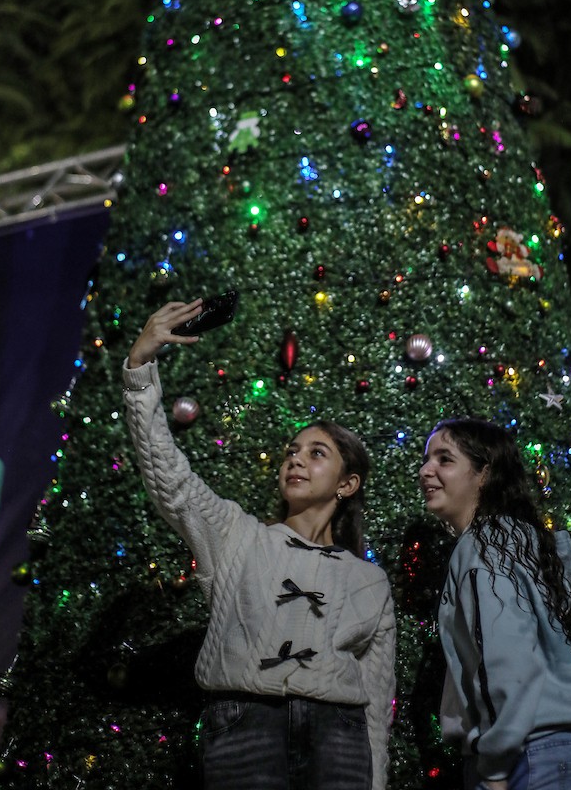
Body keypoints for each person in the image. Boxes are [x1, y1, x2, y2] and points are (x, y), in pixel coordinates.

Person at [122, 297, 396, 790]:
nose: (296, 460)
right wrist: (140, 370)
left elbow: (377, 696)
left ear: (347, 484)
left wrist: (376, 782)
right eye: (292, 451)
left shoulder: (370, 580)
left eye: (317, 453)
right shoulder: (235, 534)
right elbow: (169, 478)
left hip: (340, 736)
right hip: (245, 729)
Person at [419, 417, 571, 790]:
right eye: (426, 459)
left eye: (445, 459)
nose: (426, 471)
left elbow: (505, 659)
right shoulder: (527, 544)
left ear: (483, 474)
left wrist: (496, 764)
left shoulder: (480, 548)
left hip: (524, 756)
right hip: (568, 750)